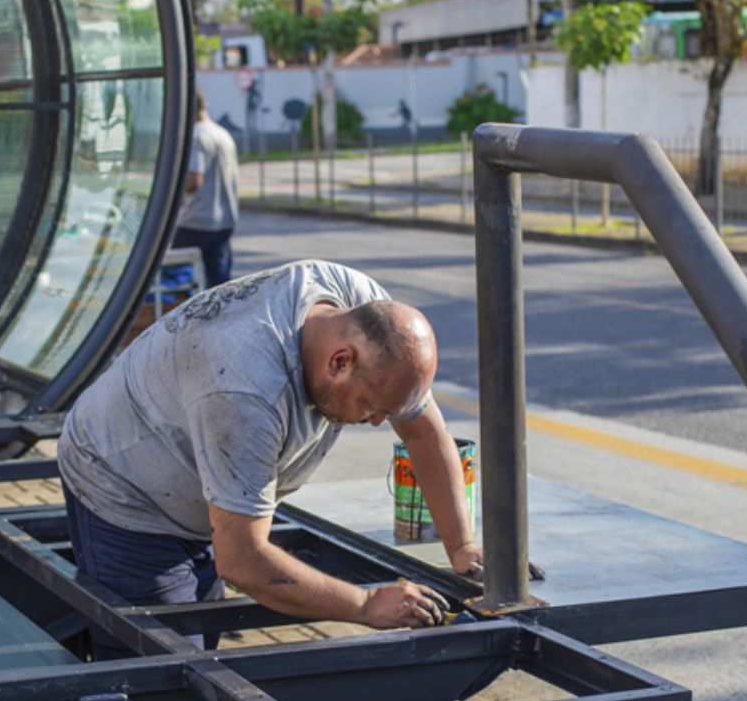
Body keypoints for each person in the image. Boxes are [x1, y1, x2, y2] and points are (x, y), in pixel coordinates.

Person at [59, 260, 482, 659]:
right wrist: (366, 603)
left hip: (189, 472)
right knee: (159, 669)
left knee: (199, 645)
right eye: (371, 406)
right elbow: (243, 560)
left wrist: (462, 547)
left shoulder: (364, 312)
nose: (375, 423)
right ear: (340, 362)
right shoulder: (245, 389)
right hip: (123, 485)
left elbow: (424, 431)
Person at [172, 89, 239, 288]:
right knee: (219, 283)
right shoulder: (222, 133)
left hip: (197, 219)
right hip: (224, 219)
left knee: (177, 279)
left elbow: (193, 181)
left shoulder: (196, 136)